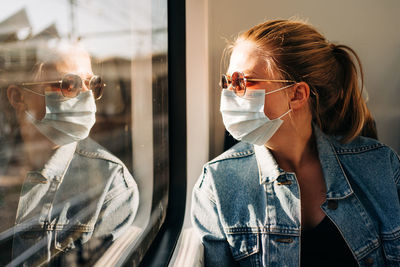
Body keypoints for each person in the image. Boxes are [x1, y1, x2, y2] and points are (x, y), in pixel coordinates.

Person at [191, 19, 400, 266]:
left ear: (297, 94)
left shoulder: (381, 165)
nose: (228, 93)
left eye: (242, 81)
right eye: (227, 82)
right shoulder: (217, 183)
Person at [0, 42, 139, 266]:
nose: (87, 97)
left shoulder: (110, 184)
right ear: (18, 97)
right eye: (70, 83)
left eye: (92, 84)